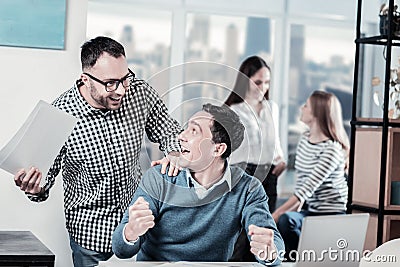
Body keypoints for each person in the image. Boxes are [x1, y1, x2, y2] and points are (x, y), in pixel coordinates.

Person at [12, 36, 182, 267]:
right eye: (110, 83)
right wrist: (34, 187)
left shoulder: (140, 94)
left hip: (137, 228)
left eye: (125, 79)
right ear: (85, 79)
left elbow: (170, 131)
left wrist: (174, 153)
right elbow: (43, 182)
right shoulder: (59, 115)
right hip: (90, 236)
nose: (121, 90)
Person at [112, 103, 285, 266]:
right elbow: (121, 249)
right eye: (186, 128)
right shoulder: (159, 177)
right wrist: (131, 232)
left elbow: (273, 242)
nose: (181, 136)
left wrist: (269, 251)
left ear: (218, 149)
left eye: (194, 131)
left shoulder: (248, 188)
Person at [272, 90, 349, 261]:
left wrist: (275, 216)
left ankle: (307, 260)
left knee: (284, 220)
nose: (302, 108)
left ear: (316, 113)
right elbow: (301, 182)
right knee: (287, 221)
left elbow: (306, 189)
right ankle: (304, 259)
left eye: (306, 105)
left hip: (332, 215)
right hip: (311, 211)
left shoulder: (331, 149)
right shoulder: (304, 139)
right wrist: (289, 211)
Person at [225, 55, 286, 261]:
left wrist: (281, 159)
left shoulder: (272, 108)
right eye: (258, 82)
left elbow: (274, 139)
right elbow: (230, 149)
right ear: (245, 80)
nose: (264, 87)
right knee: (242, 231)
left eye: (267, 82)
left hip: (269, 172)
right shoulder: (234, 110)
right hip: (242, 171)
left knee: (264, 230)